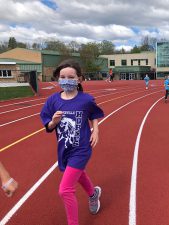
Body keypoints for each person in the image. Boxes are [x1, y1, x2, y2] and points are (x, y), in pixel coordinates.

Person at [40, 59, 104, 225]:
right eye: (62, 77)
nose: (66, 80)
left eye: (70, 77)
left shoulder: (86, 100)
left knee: (65, 190)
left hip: (82, 149)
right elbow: (47, 124)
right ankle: (93, 194)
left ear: (79, 79)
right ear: (58, 79)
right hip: (64, 148)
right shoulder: (53, 101)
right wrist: (53, 122)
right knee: (79, 173)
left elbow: (94, 114)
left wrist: (95, 130)